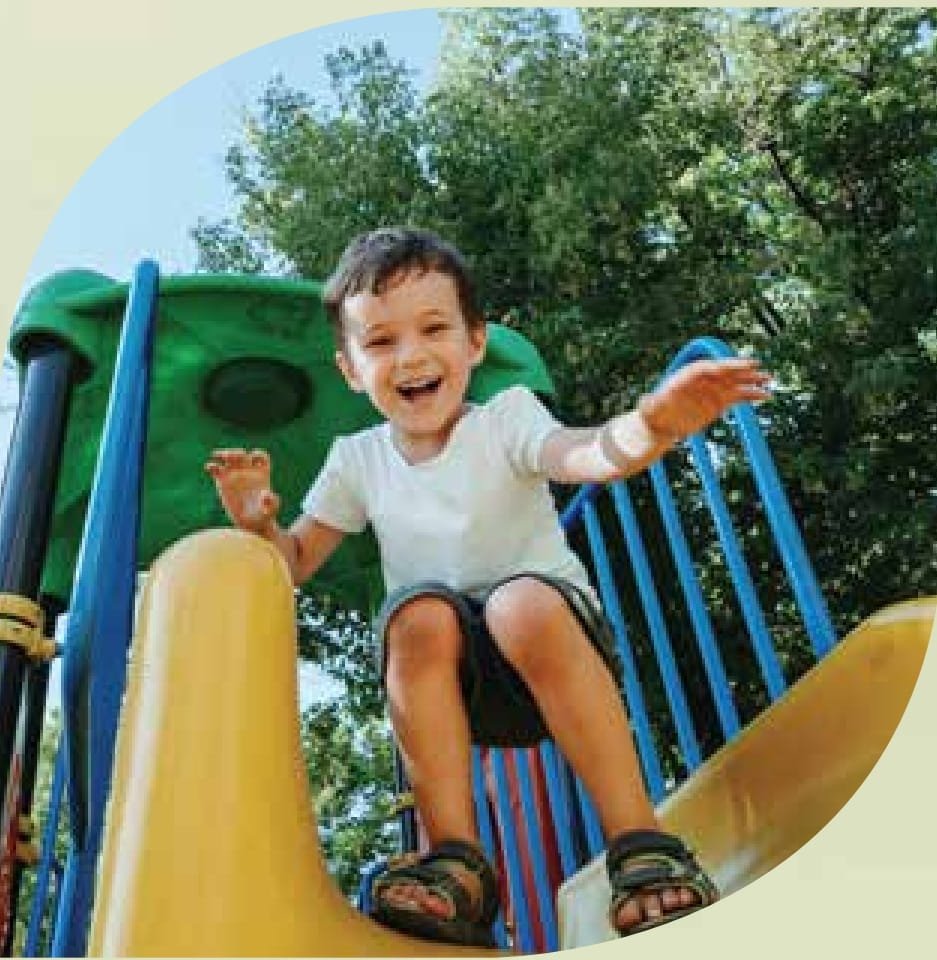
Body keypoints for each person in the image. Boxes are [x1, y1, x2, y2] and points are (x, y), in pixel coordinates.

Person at [206, 227, 771, 947]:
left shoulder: (507, 419)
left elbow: (586, 455)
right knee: (414, 615)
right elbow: (292, 564)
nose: (409, 355)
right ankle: (458, 866)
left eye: (433, 328)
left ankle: (640, 841)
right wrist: (260, 524)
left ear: (474, 342)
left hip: (552, 649)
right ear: (349, 368)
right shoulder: (355, 461)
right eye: (379, 343)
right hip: (456, 684)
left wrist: (650, 424)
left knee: (518, 600)